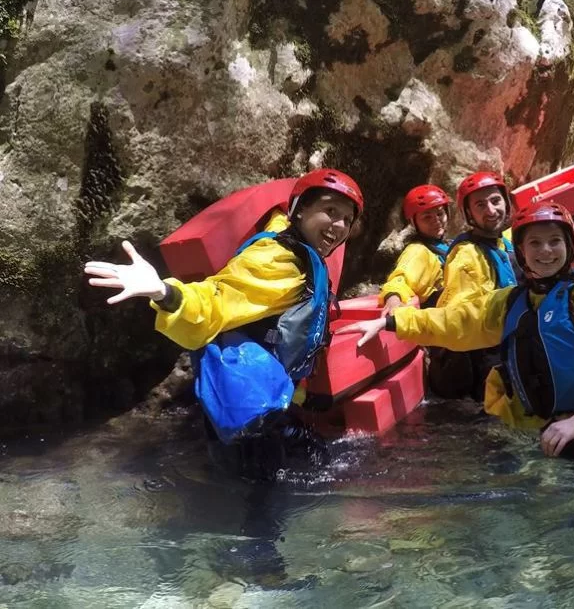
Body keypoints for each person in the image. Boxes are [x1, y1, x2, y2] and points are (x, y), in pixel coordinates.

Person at [84, 168, 364, 478]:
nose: (338, 225)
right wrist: (166, 293)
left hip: (254, 397)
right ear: (299, 211)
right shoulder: (276, 261)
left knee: (292, 470)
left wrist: (304, 397)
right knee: (268, 505)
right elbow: (215, 299)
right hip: (249, 409)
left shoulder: (300, 253)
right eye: (330, 211)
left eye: (347, 220)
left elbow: (275, 345)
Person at [337, 201, 574, 459]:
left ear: (569, 247)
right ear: (522, 252)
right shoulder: (510, 303)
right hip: (549, 435)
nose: (546, 251)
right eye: (535, 243)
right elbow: (455, 323)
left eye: (555, 241)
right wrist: (391, 321)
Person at [426, 171, 520, 401]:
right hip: (487, 364)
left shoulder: (502, 242)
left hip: (507, 350)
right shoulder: (467, 255)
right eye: (480, 205)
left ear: (506, 203)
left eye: (496, 201)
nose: (490, 210)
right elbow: (459, 312)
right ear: (469, 214)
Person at [379, 184, 452, 315]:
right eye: (427, 217)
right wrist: (393, 300)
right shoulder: (418, 251)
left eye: (440, 213)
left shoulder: (448, 245)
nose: (436, 221)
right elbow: (399, 280)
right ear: (413, 222)